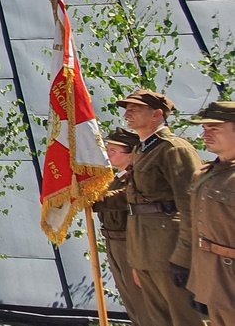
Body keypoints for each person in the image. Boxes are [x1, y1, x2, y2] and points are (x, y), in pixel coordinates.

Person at [117, 89, 204, 326]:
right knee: (158, 319)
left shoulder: (174, 149)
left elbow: (191, 207)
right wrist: (136, 259)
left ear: (156, 114)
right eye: (127, 110)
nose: (127, 115)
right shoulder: (141, 149)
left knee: (185, 318)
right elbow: (136, 201)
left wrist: (184, 256)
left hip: (169, 249)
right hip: (145, 248)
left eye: (134, 109)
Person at [186, 101, 235, 326]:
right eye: (204, 128)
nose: (206, 134)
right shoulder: (205, 174)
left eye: (214, 128)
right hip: (212, 277)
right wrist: (198, 280)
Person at [91, 127, 145, 324]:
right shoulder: (116, 180)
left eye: (113, 150)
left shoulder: (135, 180)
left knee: (141, 300)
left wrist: (92, 200)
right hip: (114, 243)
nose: (108, 154)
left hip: (129, 243)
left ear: (130, 154)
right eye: (108, 149)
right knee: (130, 300)